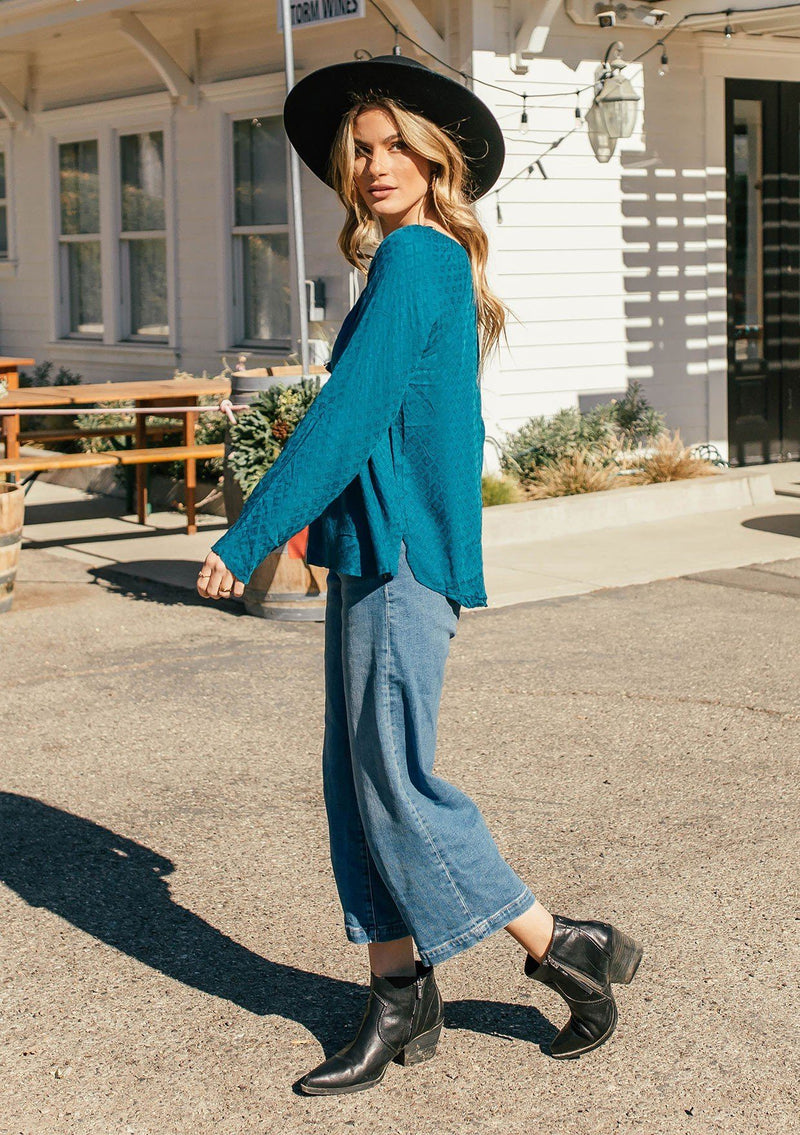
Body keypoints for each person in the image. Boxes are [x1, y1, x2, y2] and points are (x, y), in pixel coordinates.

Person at [195, 53, 643, 1095]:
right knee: (356, 783)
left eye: (396, 143)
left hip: (399, 559)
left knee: (395, 778)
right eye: (360, 148)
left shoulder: (418, 262)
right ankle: (398, 993)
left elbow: (348, 420)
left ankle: (559, 943)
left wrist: (248, 531)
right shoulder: (406, 260)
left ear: (438, 157)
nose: (374, 161)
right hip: (371, 552)